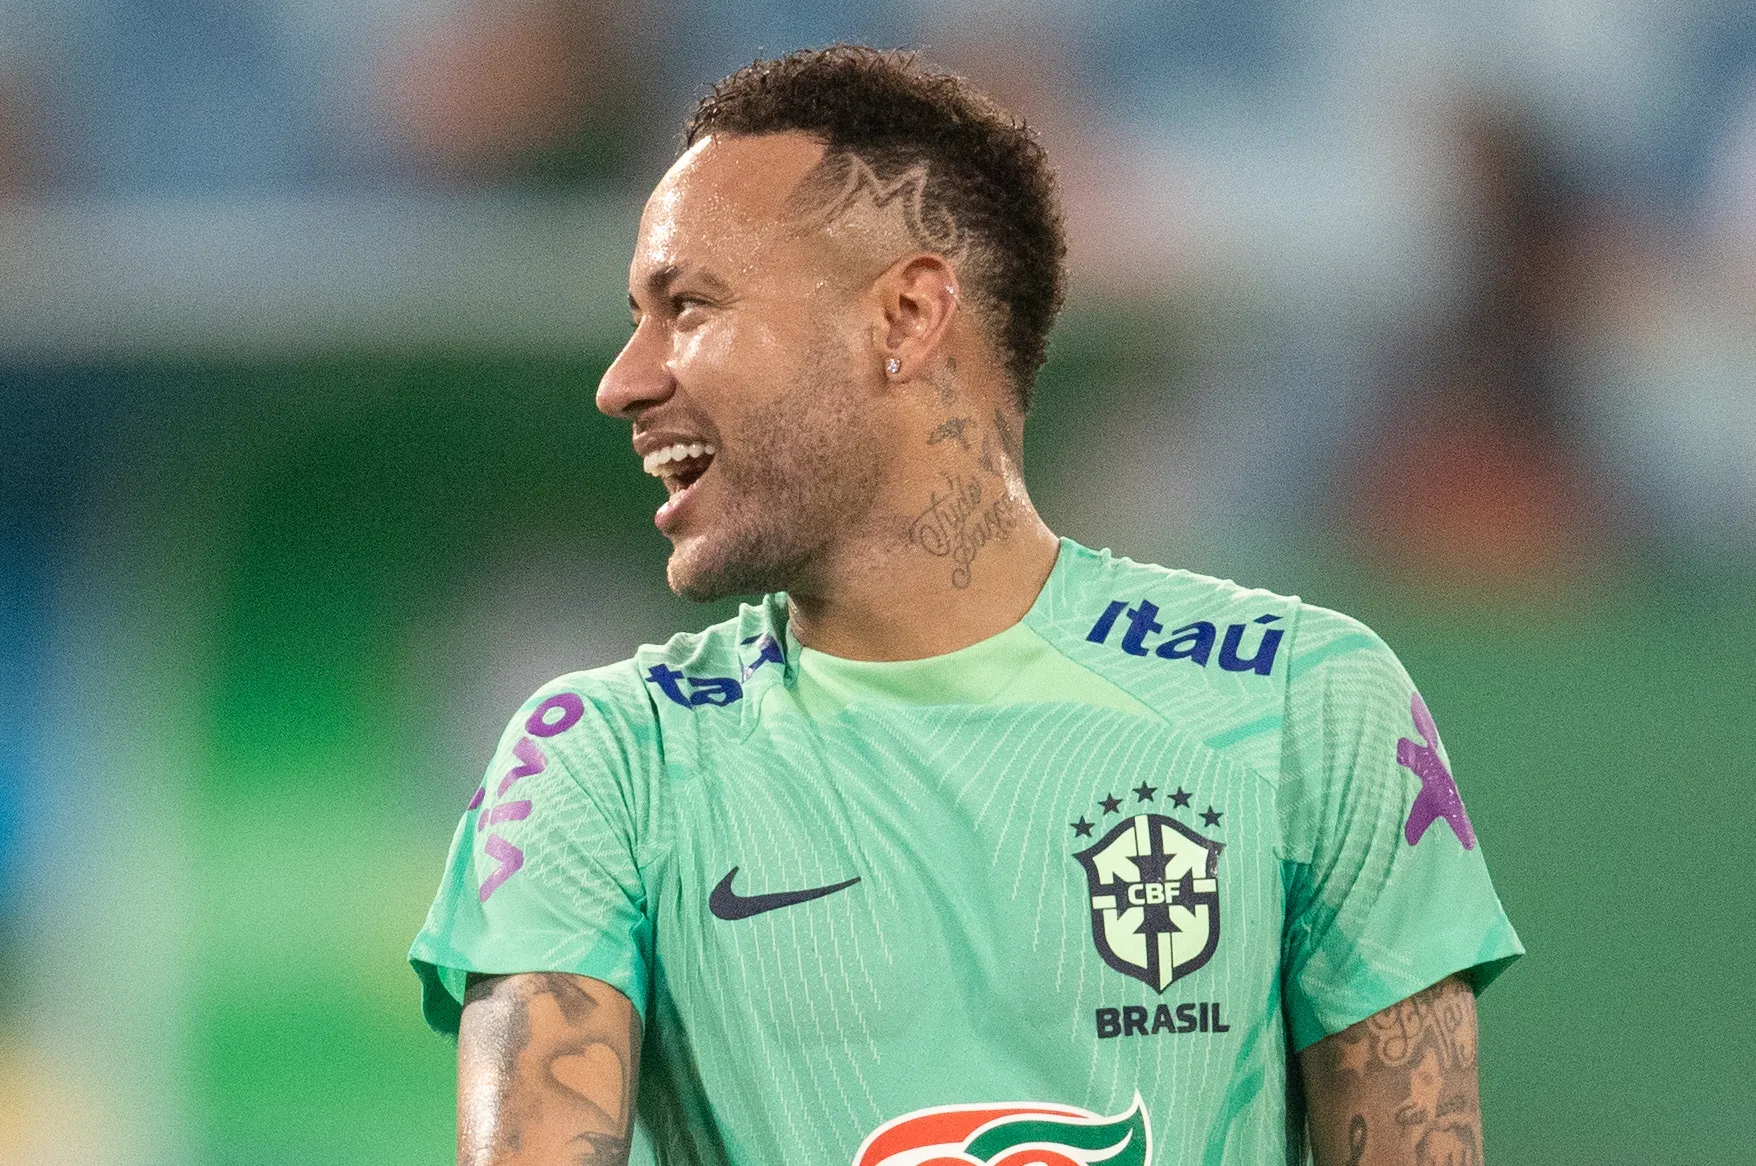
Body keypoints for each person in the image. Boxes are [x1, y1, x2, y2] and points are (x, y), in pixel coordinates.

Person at [410, 45, 1522, 1166]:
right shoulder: (600, 762)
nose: (625, 378)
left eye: (688, 306)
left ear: (904, 316)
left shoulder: (1303, 705)